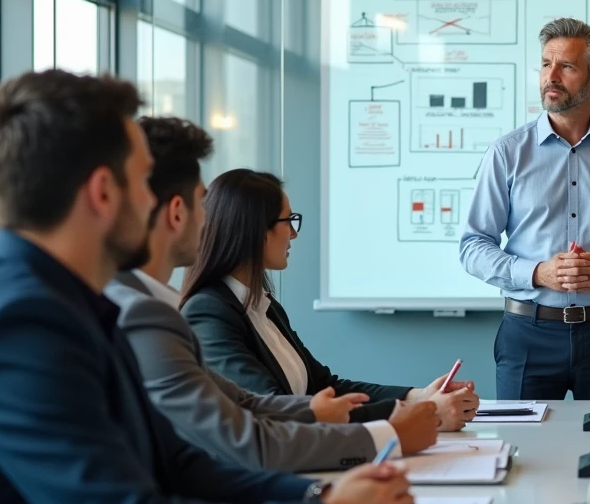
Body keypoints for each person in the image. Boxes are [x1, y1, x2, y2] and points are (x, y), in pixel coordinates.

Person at [0, 71, 414, 504]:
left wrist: (322, 499)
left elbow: (179, 468)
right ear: (103, 194)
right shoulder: (20, 325)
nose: (161, 202)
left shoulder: (75, 303)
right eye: (142, 181)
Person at [107, 116, 439, 469]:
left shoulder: (258, 305)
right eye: (201, 205)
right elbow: (249, 433)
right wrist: (389, 430)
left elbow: (251, 401)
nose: (207, 221)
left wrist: (410, 401)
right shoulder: (182, 312)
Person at [459, 17, 590, 400]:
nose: (550, 76)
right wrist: (537, 273)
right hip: (527, 333)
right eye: (545, 64)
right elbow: (473, 246)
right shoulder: (507, 153)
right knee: (524, 455)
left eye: (566, 66)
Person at [180, 169, 477, 432]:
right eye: (288, 221)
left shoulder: (263, 306)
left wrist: (420, 396)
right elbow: (277, 408)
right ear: (256, 230)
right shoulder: (209, 312)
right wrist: (424, 414)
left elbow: (324, 386)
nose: (294, 234)